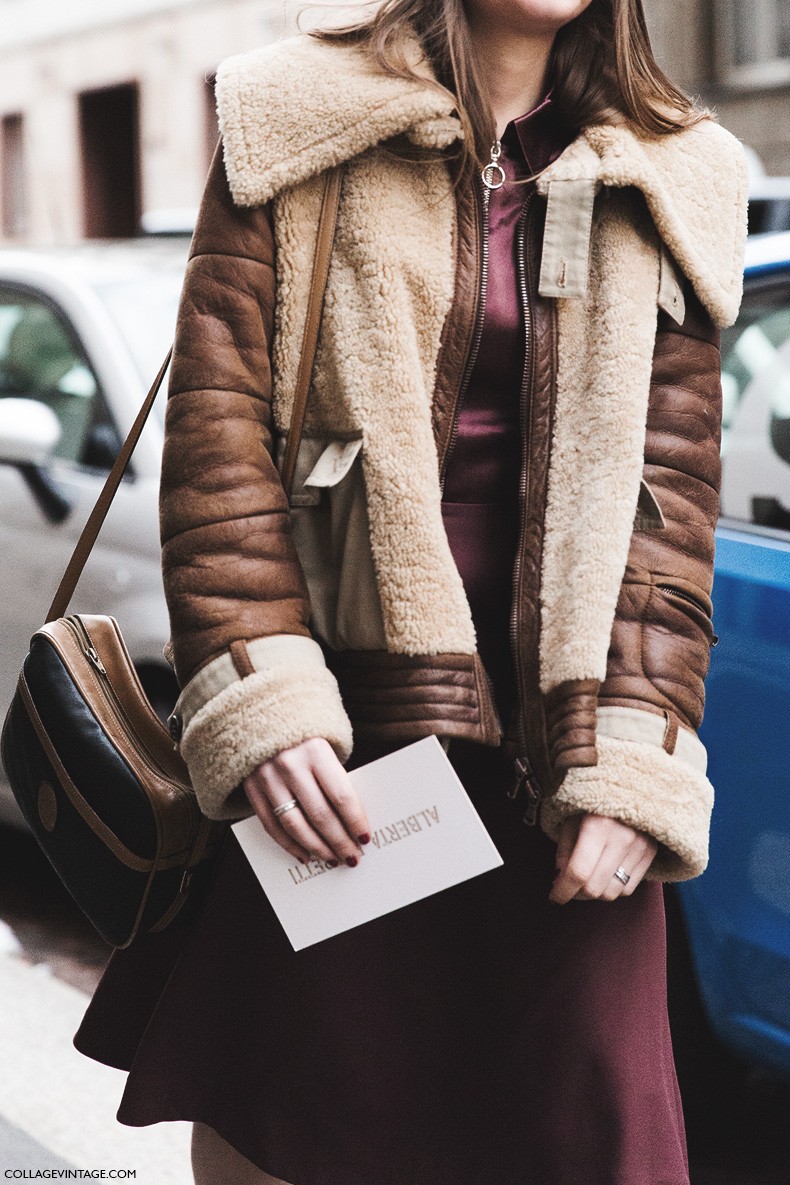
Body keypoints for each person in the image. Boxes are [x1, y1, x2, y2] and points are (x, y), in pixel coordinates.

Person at [73, 1, 748, 1182]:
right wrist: (265, 696)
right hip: (350, 735)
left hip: (566, 747)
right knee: (299, 1126)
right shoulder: (295, 114)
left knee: (585, 1133)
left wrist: (638, 759)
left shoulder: (676, 166)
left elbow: (672, 501)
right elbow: (220, 445)